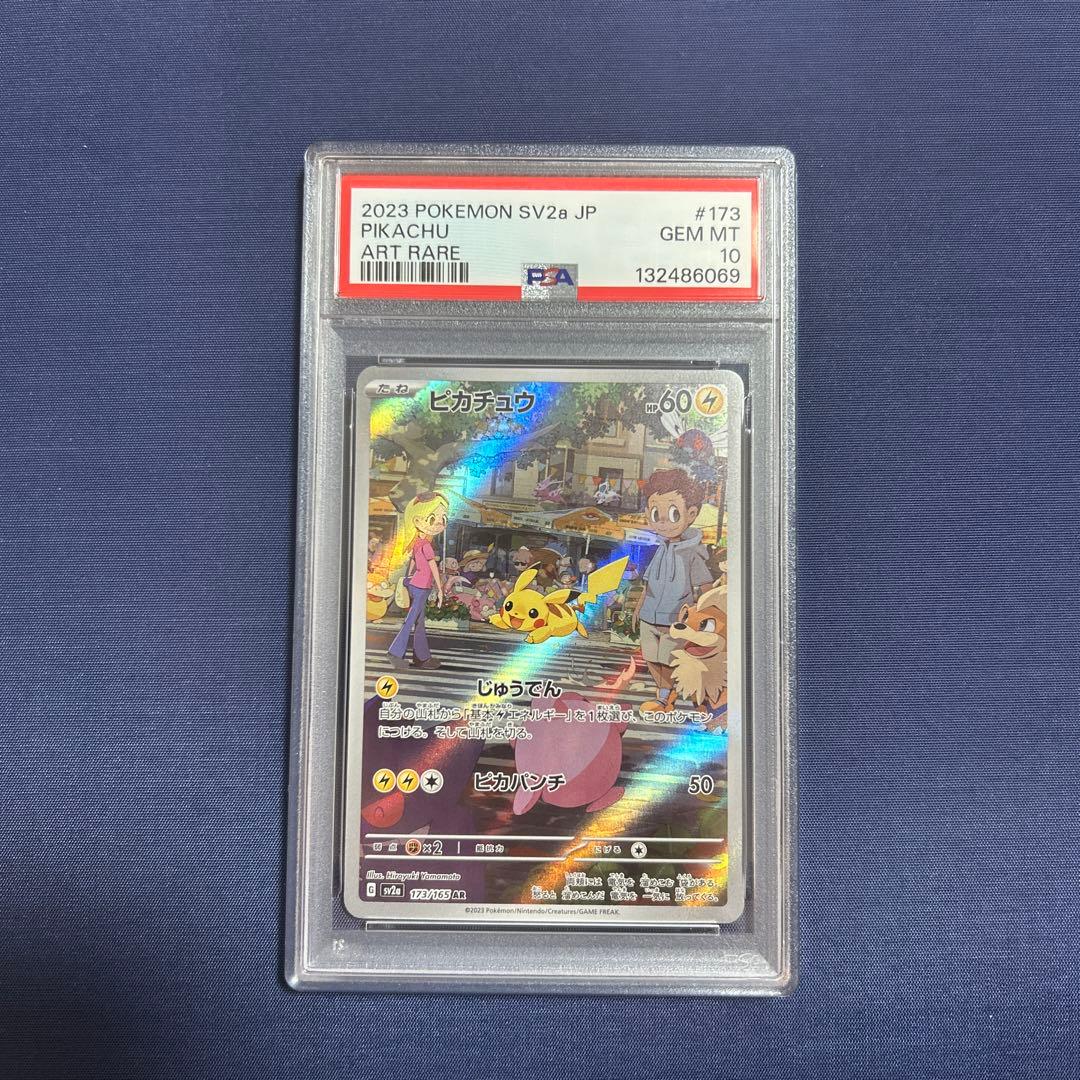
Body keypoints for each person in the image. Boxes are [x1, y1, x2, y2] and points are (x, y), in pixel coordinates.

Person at [631, 469, 712, 714]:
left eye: (673, 513)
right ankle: (664, 696)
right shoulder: (661, 548)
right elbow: (648, 583)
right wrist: (638, 609)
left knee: (669, 660)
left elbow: (705, 587)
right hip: (649, 615)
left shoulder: (693, 553)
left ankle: (671, 698)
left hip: (675, 619)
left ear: (691, 514)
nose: (663, 521)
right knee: (650, 658)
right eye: (656, 514)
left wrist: (700, 616)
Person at [388, 491, 448, 671]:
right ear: (417, 521)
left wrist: (408, 578)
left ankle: (422, 657)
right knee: (411, 620)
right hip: (421, 587)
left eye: (443, 518)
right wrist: (440, 590)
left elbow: (413, 562)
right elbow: (433, 568)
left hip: (416, 584)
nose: (440, 523)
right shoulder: (426, 546)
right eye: (433, 518)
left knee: (419, 622)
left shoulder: (417, 543)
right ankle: (395, 652)